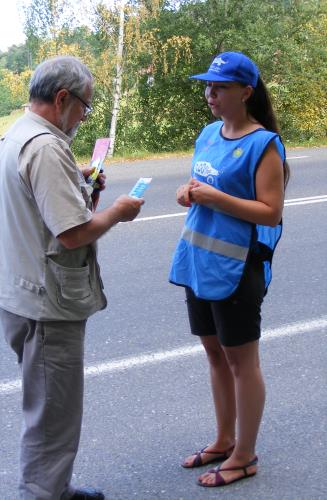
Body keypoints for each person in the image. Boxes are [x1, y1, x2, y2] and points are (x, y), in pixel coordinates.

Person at [0, 55, 144, 500]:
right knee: (52, 413)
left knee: (48, 405)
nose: (85, 116)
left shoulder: (17, 133)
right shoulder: (47, 147)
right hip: (46, 304)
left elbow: (39, 206)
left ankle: (55, 487)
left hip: (18, 292)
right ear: (62, 98)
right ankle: (43, 493)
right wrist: (116, 213)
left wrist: (78, 183)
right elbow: (72, 234)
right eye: (84, 105)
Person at [169, 51, 289, 488]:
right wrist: (188, 192)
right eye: (208, 85)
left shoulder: (264, 144)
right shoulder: (208, 134)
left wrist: (214, 198)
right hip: (200, 262)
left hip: (238, 268)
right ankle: (222, 440)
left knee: (242, 363)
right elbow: (204, 186)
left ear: (245, 92)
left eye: (219, 87)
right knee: (214, 355)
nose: (210, 94)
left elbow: (270, 213)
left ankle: (245, 454)